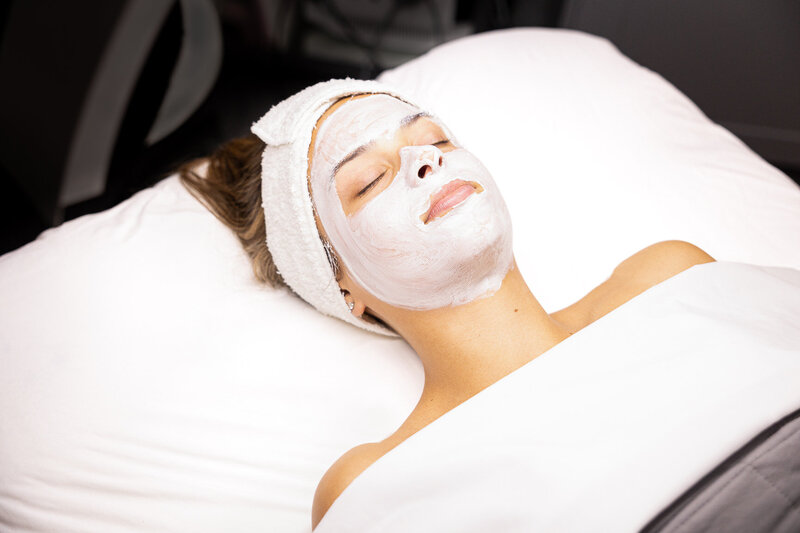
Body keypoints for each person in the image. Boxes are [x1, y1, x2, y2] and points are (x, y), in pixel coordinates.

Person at [178, 79, 715, 529]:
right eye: (370, 181)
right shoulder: (374, 484)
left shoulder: (666, 278)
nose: (425, 159)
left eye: (435, 138)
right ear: (342, 288)